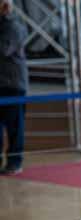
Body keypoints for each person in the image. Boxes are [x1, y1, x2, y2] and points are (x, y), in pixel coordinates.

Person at [0, 0, 27, 175]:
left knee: (15, 128)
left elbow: (4, 49)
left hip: (13, 85)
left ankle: (15, 162)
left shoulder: (14, 26)